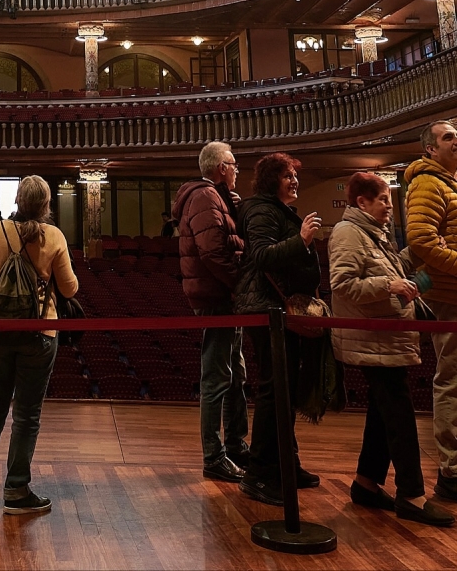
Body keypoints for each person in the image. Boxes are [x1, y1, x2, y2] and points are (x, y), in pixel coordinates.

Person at [330, 171, 453, 526]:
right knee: (399, 415)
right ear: (361, 202)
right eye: (383, 198)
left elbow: (396, 273)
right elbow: (344, 283)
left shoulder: (373, 234)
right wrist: (390, 283)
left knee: (382, 412)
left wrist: (419, 259)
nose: (389, 205)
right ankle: (412, 494)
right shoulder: (348, 232)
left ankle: (366, 484)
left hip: (385, 337)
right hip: (373, 339)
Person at [0, 176, 79, 514]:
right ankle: (16, 489)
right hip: (39, 333)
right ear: (47, 204)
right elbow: (70, 289)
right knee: (27, 415)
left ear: (17, 199)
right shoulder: (54, 235)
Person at [234, 151, 321, 506]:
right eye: (288, 175)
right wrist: (300, 240)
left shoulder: (279, 210)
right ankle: (259, 474)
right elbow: (262, 256)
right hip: (266, 308)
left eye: (295, 175)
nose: (295, 181)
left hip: (280, 310)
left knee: (284, 390)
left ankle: (286, 465)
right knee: (273, 392)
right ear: (272, 180)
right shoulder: (260, 209)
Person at [173, 143, 249, 483]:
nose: (237, 171)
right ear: (221, 167)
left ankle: (235, 444)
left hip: (224, 295)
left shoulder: (220, 199)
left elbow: (229, 241)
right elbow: (213, 252)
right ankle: (214, 454)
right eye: (234, 165)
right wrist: (240, 285)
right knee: (217, 377)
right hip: (218, 295)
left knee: (235, 373)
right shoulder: (206, 198)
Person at [403, 120, 457, 501]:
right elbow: (421, 240)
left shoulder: (449, 184)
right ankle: (452, 471)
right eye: (449, 137)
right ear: (430, 150)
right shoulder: (428, 183)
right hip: (449, 294)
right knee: (452, 380)